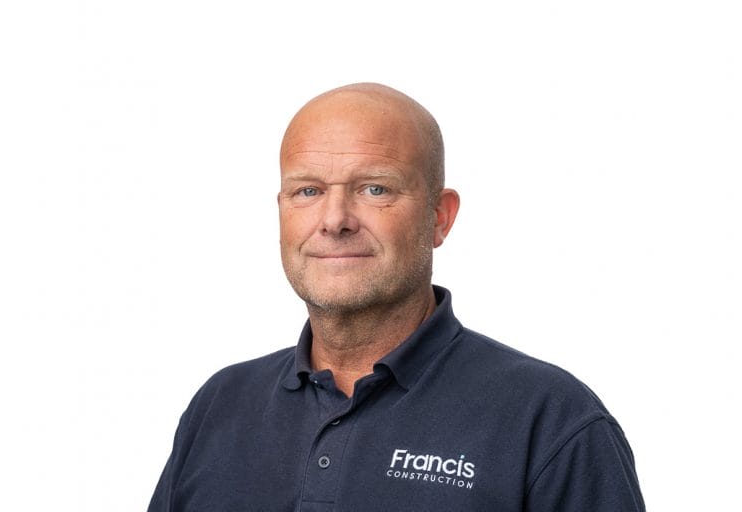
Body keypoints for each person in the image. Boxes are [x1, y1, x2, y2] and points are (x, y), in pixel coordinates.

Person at [148, 83, 646, 511]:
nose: (335, 220)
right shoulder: (219, 406)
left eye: (375, 189)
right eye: (308, 191)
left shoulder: (552, 420)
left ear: (439, 218)